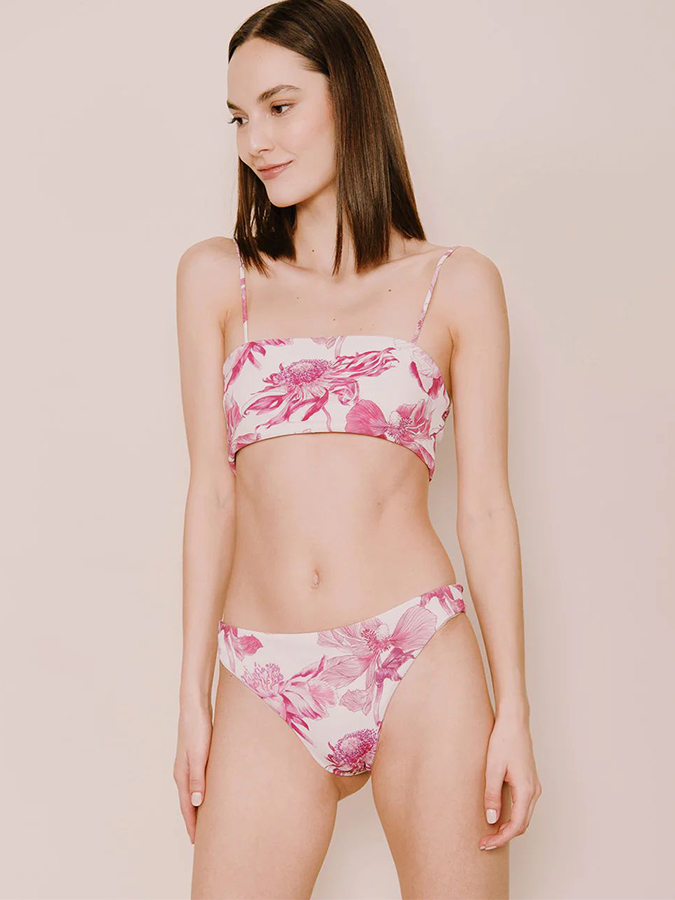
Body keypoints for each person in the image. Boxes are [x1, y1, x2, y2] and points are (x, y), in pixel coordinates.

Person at [174, 0, 542, 896]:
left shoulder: (456, 284)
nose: (255, 141)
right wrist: (191, 697)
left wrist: (514, 711)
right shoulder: (217, 278)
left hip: (418, 652)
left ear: (352, 97)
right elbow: (211, 493)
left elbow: (484, 505)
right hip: (264, 668)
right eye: (238, 118)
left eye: (279, 107)